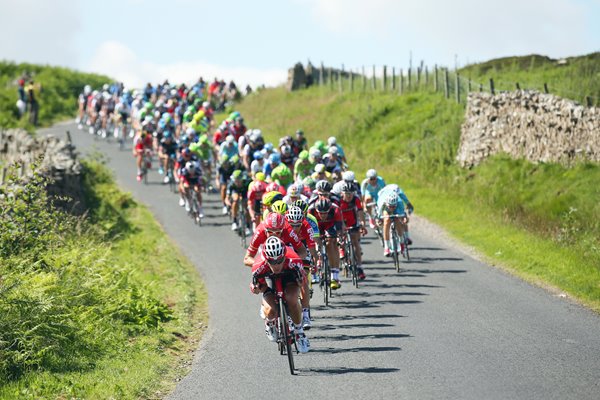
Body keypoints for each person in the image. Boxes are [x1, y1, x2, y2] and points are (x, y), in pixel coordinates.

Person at [250, 236, 310, 353]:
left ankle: (299, 332)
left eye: (279, 261)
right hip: (268, 279)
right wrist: (256, 289)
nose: (276, 265)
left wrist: (300, 281)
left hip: (289, 276)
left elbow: (303, 279)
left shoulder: (294, 259)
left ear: (284, 256)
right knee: (271, 310)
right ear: (266, 259)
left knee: (292, 299)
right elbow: (254, 286)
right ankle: (270, 322)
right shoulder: (259, 265)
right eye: (272, 261)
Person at [285, 206, 318, 329]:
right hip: (288, 248)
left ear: (302, 221)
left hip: (302, 250)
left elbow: (312, 248)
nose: (294, 228)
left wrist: (315, 264)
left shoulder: (306, 226)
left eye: (297, 225)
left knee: (303, 277)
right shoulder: (283, 225)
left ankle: (305, 314)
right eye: (291, 225)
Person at [308, 197, 343, 289]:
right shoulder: (311, 211)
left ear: (329, 210)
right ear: (316, 210)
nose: (323, 216)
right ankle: (317, 265)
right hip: (316, 227)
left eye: (325, 213)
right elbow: (309, 230)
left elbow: (339, 228)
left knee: (331, 243)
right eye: (320, 213)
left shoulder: (335, 209)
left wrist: (339, 238)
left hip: (330, 226)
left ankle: (334, 276)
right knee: (314, 243)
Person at [339, 183, 367, 280]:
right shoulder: (338, 201)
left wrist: (363, 223)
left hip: (353, 222)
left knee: (356, 244)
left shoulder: (356, 199)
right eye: (347, 194)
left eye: (351, 193)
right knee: (340, 239)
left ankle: (359, 267)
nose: (349, 196)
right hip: (341, 222)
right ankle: (342, 250)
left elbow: (360, 211)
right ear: (342, 193)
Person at [377, 192, 407, 257]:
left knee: (397, 220)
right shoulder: (382, 203)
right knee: (387, 221)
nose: (392, 208)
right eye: (390, 206)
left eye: (393, 206)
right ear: (387, 204)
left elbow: (402, 214)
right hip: (385, 210)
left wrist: (404, 218)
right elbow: (379, 215)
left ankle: (401, 243)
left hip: (397, 210)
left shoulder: (399, 203)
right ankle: (387, 247)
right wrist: (379, 220)